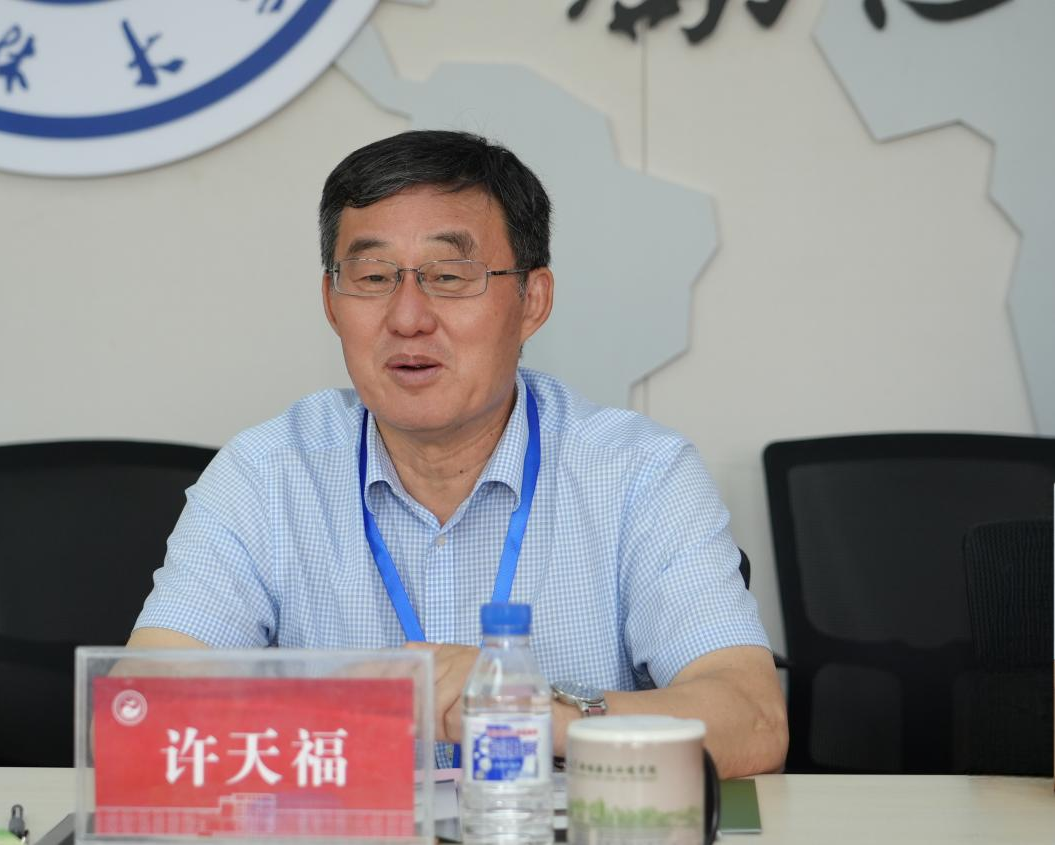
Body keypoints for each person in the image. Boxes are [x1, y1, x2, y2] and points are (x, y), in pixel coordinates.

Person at [128, 130, 787, 778]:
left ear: (532, 301)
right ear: (331, 302)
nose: (407, 317)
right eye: (373, 276)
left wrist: (532, 711)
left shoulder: (640, 474)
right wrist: (349, 708)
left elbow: (751, 720)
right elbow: (140, 711)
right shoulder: (264, 474)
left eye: (449, 276)